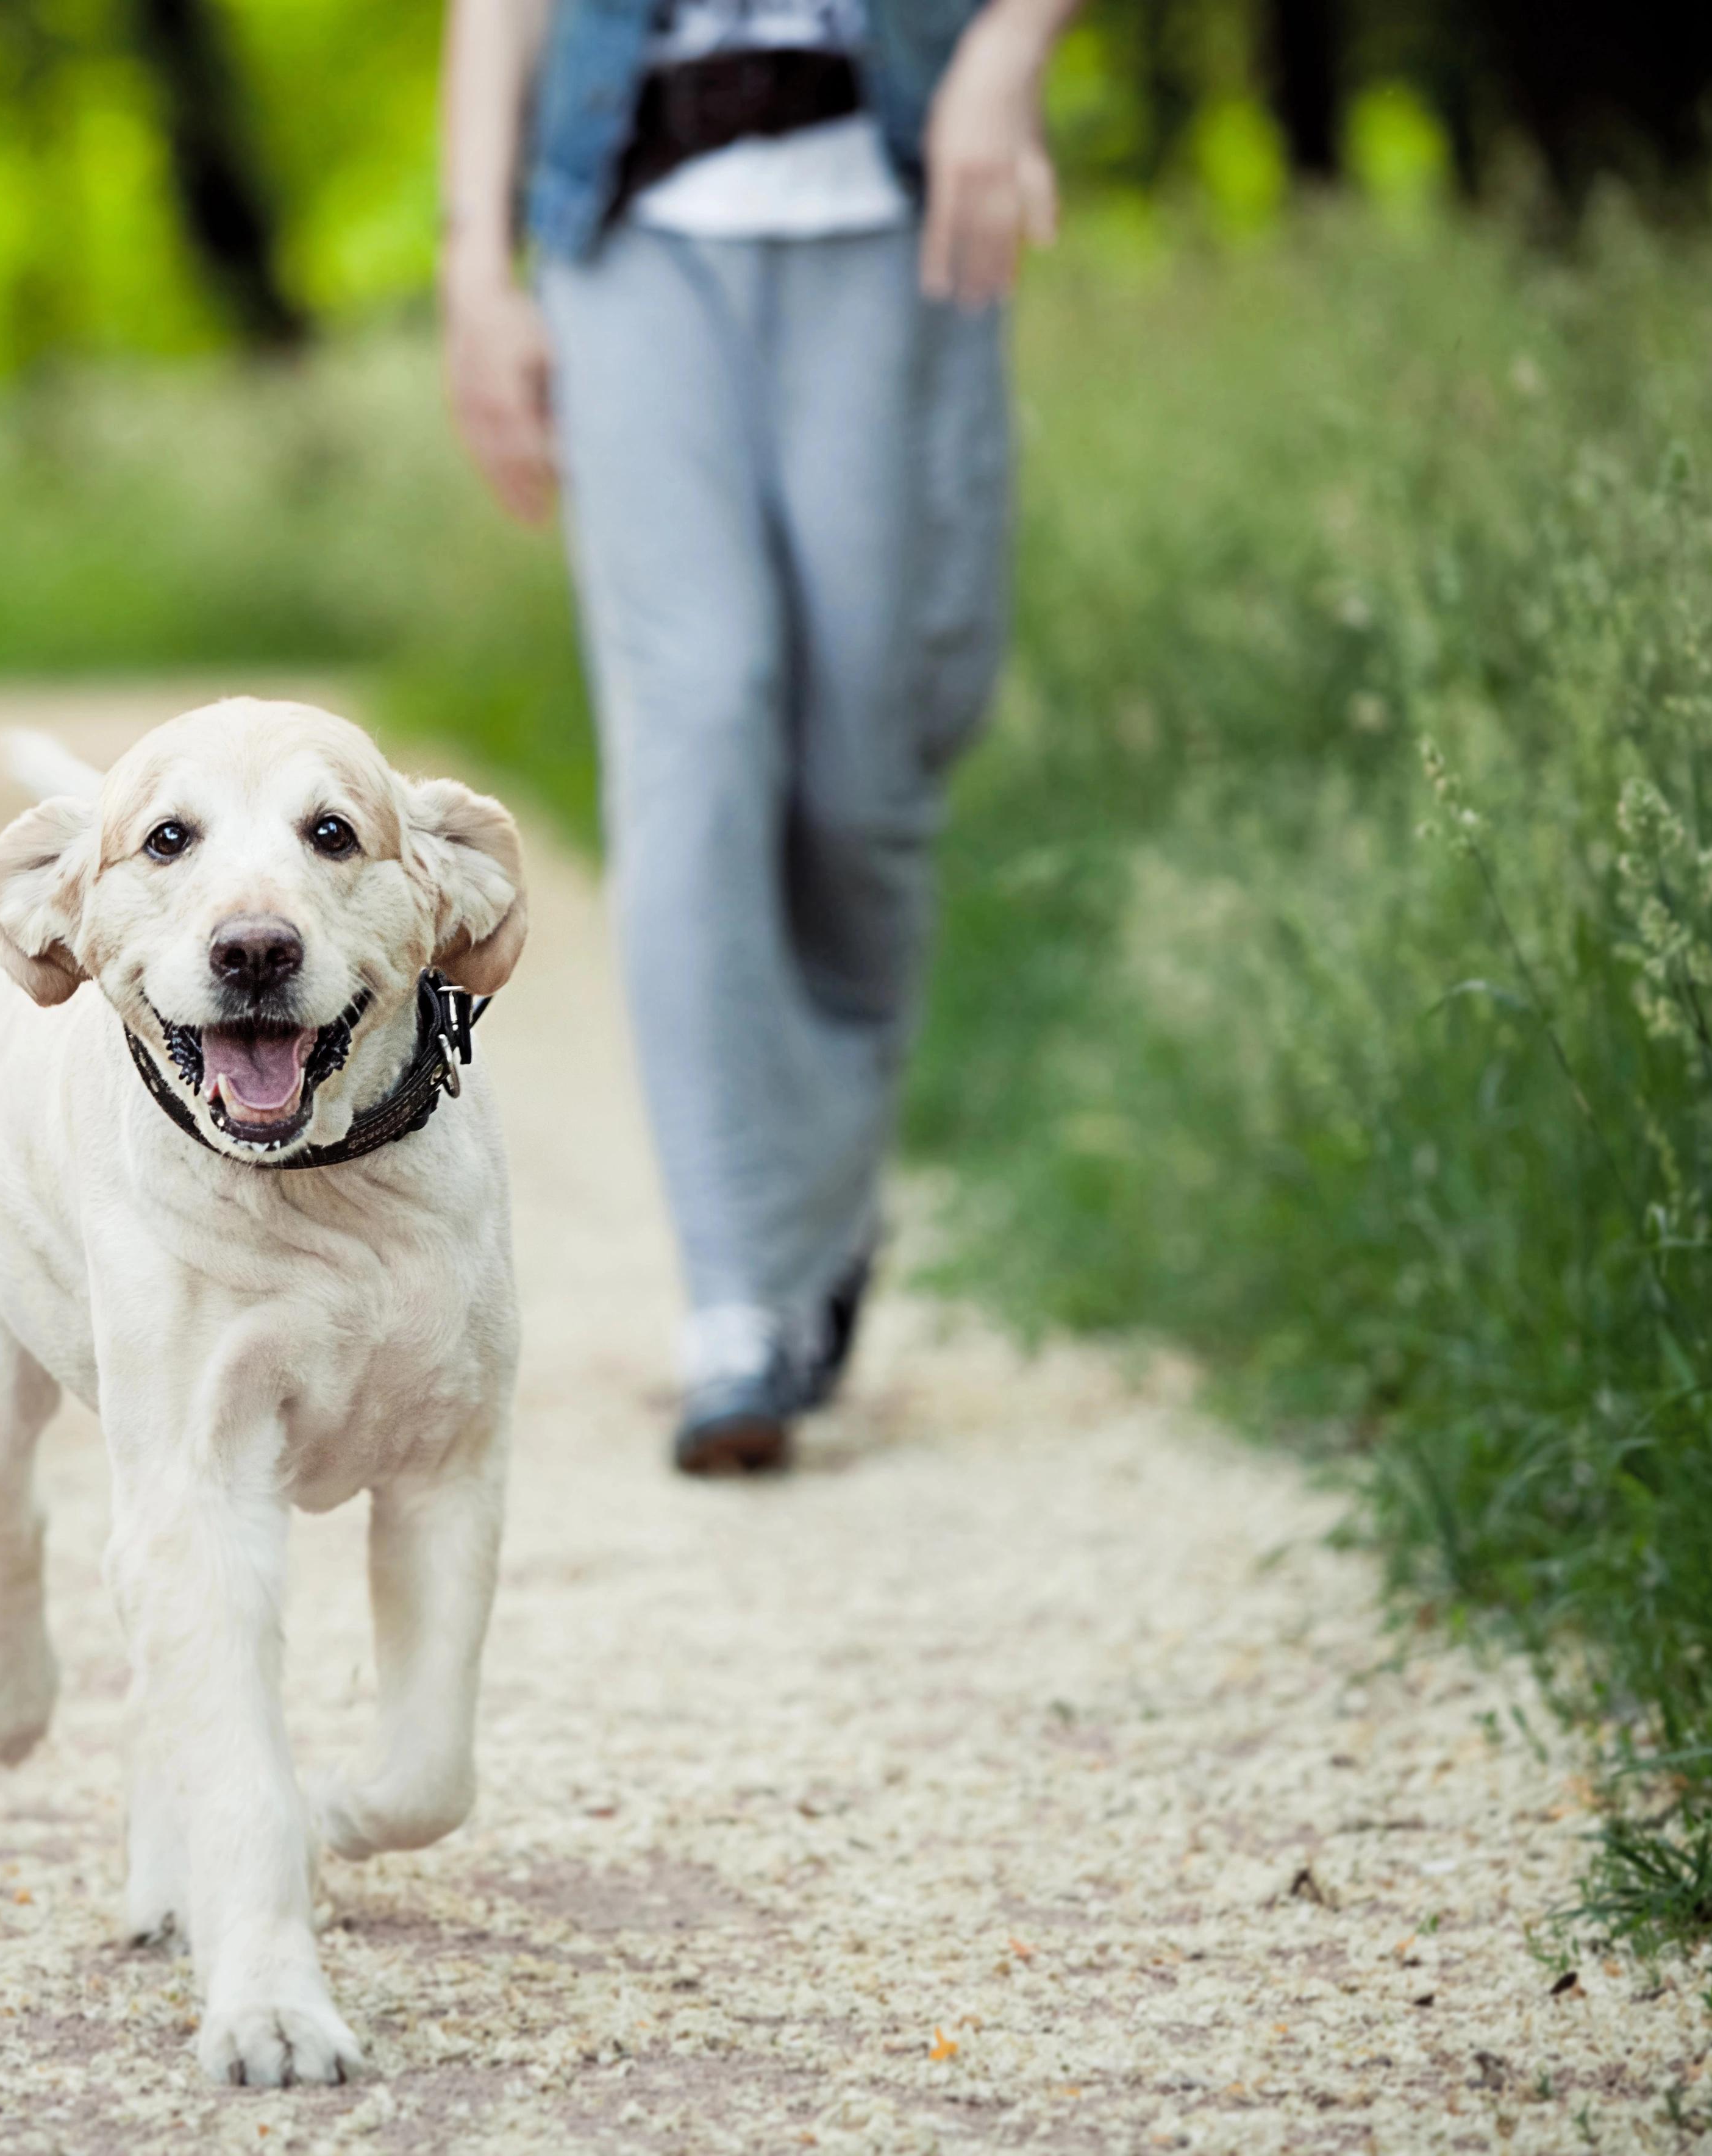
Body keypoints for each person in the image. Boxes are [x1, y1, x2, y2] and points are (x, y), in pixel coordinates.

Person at [439, 0, 1075, 1473]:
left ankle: (824, 1196)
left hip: (897, 192)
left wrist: (1009, 47)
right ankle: (736, 1295)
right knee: (698, 718)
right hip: (628, 218)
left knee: (866, 770)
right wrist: (474, 266)